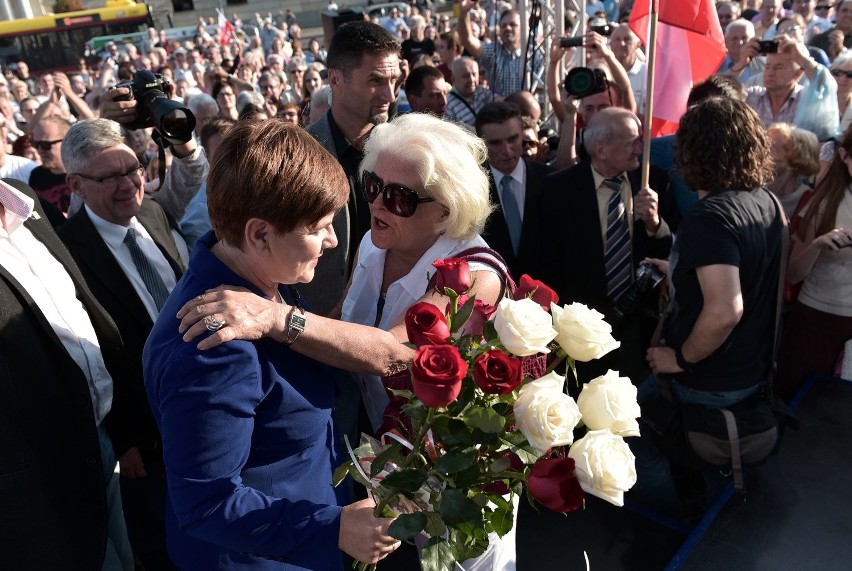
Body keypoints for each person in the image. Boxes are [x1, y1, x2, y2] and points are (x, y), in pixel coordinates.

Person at [143, 119, 402, 569]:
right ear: (259, 234)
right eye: (318, 226)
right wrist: (333, 528)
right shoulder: (217, 347)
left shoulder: (254, 277)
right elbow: (207, 505)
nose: (333, 239)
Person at [630, 97, 785, 517]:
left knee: (629, 439)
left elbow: (725, 310)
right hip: (749, 371)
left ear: (693, 150)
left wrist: (678, 359)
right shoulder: (766, 201)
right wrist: (681, 268)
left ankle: (680, 523)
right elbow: (747, 275)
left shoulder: (711, 216)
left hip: (706, 376)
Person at [57, 118, 189, 570]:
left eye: (133, 168)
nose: (129, 183)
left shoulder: (152, 212)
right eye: (109, 176)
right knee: (159, 539)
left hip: (200, 401)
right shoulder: (65, 251)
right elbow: (86, 350)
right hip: (143, 436)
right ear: (75, 185)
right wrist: (124, 437)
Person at [0, 175, 136, 569]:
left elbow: (79, 305)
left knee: (124, 558)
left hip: (100, 434)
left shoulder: (22, 198)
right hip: (39, 470)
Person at [532, 107, 674, 387]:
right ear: (601, 149)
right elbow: (543, 263)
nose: (639, 148)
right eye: (631, 142)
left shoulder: (652, 181)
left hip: (636, 328)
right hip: (580, 330)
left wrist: (655, 224)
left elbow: (669, 253)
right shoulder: (558, 190)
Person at [303, 21, 401, 316]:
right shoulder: (298, 157)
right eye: (376, 80)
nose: (391, 95)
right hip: (316, 330)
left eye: (394, 80)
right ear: (335, 80)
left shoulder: (405, 151)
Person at [775, 128, 852, 400]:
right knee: (801, 402)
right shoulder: (824, 202)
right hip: (817, 320)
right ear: (843, 156)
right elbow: (794, 273)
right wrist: (818, 244)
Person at [476, 102, 553, 279]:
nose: (507, 150)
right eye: (495, 143)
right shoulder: (472, 189)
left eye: (513, 139)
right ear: (481, 144)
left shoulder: (551, 182)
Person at [766, 122, 820, 217]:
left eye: (772, 149)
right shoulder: (752, 189)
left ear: (796, 159)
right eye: (765, 146)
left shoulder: (808, 201)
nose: (764, 154)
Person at [444, 57, 494, 127]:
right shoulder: (448, 105)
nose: (471, 79)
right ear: (453, 79)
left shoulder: (482, 92)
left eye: (474, 74)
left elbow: (499, 101)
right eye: (466, 76)